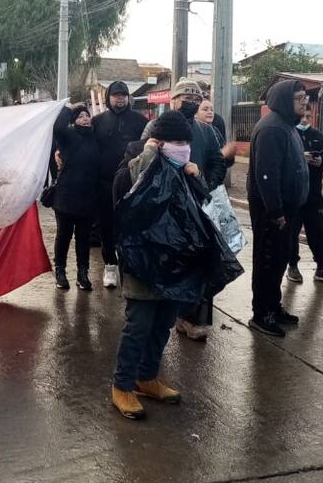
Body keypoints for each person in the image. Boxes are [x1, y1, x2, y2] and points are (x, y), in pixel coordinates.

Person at [110, 111, 212, 419]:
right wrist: (148, 157)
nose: (183, 147)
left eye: (186, 142)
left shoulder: (185, 170)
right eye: (176, 142)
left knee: (162, 325)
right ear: (158, 141)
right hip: (143, 263)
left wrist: (198, 178)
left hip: (175, 266)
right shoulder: (133, 164)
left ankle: (147, 377)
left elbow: (203, 207)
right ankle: (122, 386)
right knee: (138, 326)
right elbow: (124, 201)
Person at [143, 79, 227, 341]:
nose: (191, 102)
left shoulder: (207, 131)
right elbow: (142, 161)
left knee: (201, 261)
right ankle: (165, 313)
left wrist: (205, 183)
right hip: (165, 206)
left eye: (195, 98)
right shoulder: (156, 128)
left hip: (198, 204)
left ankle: (193, 318)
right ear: (173, 100)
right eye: (186, 98)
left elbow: (218, 162)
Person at [247, 80, 309, 337]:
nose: (305, 102)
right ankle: (262, 313)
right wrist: (276, 212)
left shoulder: (287, 126)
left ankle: (273, 305)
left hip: (288, 210)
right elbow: (266, 175)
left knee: (280, 260)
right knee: (268, 261)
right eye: (299, 98)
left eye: (305, 97)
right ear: (284, 100)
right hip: (272, 213)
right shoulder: (273, 128)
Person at [92, 81, 148, 289]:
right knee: (106, 226)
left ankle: (129, 265)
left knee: (130, 226)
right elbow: (85, 145)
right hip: (104, 183)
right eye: (116, 95)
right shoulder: (97, 121)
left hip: (132, 184)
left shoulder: (140, 121)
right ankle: (109, 265)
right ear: (109, 98)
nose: (120, 98)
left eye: (123, 95)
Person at [285, 103, 323, 286]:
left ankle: (322, 268)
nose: (304, 120)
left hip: (314, 195)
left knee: (317, 232)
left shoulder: (318, 136)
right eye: (302, 116)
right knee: (291, 232)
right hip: (293, 195)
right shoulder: (288, 134)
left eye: (308, 117)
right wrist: (299, 157)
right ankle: (292, 265)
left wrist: (320, 161)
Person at [51, 104, 100, 291]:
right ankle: (60, 272)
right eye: (79, 116)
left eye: (87, 115)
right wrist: (66, 108)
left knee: (83, 237)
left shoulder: (96, 137)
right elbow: (57, 128)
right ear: (73, 121)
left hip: (88, 197)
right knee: (63, 236)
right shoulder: (67, 136)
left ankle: (82, 273)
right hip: (66, 196)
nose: (85, 118)